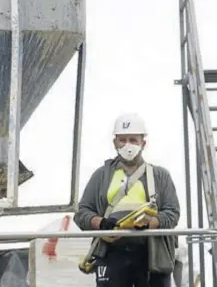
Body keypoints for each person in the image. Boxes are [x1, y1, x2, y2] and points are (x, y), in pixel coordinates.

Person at [74, 113, 181, 287]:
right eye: (122, 140)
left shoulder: (160, 176)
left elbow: (173, 213)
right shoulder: (101, 175)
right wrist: (101, 223)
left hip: (151, 255)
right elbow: (82, 212)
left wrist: (150, 223)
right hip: (111, 253)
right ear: (114, 142)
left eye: (133, 139)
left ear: (143, 143)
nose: (128, 145)